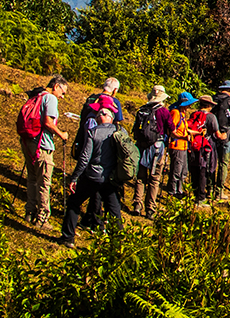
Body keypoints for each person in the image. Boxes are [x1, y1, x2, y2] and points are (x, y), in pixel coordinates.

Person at [59, 104, 124, 245]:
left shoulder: (93, 132)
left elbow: (84, 158)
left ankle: (68, 237)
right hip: (111, 178)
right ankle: (118, 245)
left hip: (93, 176)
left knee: (74, 202)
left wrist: (75, 177)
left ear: (101, 117)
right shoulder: (120, 132)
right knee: (114, 210)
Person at [23, 75, 68, 228]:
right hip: (43, 145)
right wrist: (61, 134)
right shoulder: (50, 99)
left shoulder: (37, 95)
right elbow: (48, 122)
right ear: (56, 86)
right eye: (63, 92)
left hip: (29, 141)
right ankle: (42, 218)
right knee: (44, 182)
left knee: (32, 178)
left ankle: (30, 212)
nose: (62, 97)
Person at [130, 86, 169, 217]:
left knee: (140, 177)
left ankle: (137, 204)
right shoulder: (163, 111)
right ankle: (150, 208)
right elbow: (171, 129)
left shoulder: (142, 110)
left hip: (141, 147)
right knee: (154, 179)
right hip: (157, 148)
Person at [188, 94, 221, 204]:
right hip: (206, 144)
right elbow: (217, 133)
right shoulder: (211, 117)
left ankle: (193, 192)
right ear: (208, 105)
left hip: (193, 143)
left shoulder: (194, 114)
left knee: (194, 168)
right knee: (204, 169)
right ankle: (201, 196)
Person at [212, 80, 230, 199]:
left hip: (211, 136)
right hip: (226, 135)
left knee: (211, 163)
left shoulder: (213, 100)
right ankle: (219, 191)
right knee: (223, 163)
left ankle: (208, 189)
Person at [166, 91, 196, 198]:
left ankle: (180, 190)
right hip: (176, 145)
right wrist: (183, 137)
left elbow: (185, 129)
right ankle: (172, 191)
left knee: (184, 170)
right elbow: (171, 131)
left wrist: (198, 132)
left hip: (183, 146)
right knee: (176, 170)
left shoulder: (182, 114)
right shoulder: (175, 113)